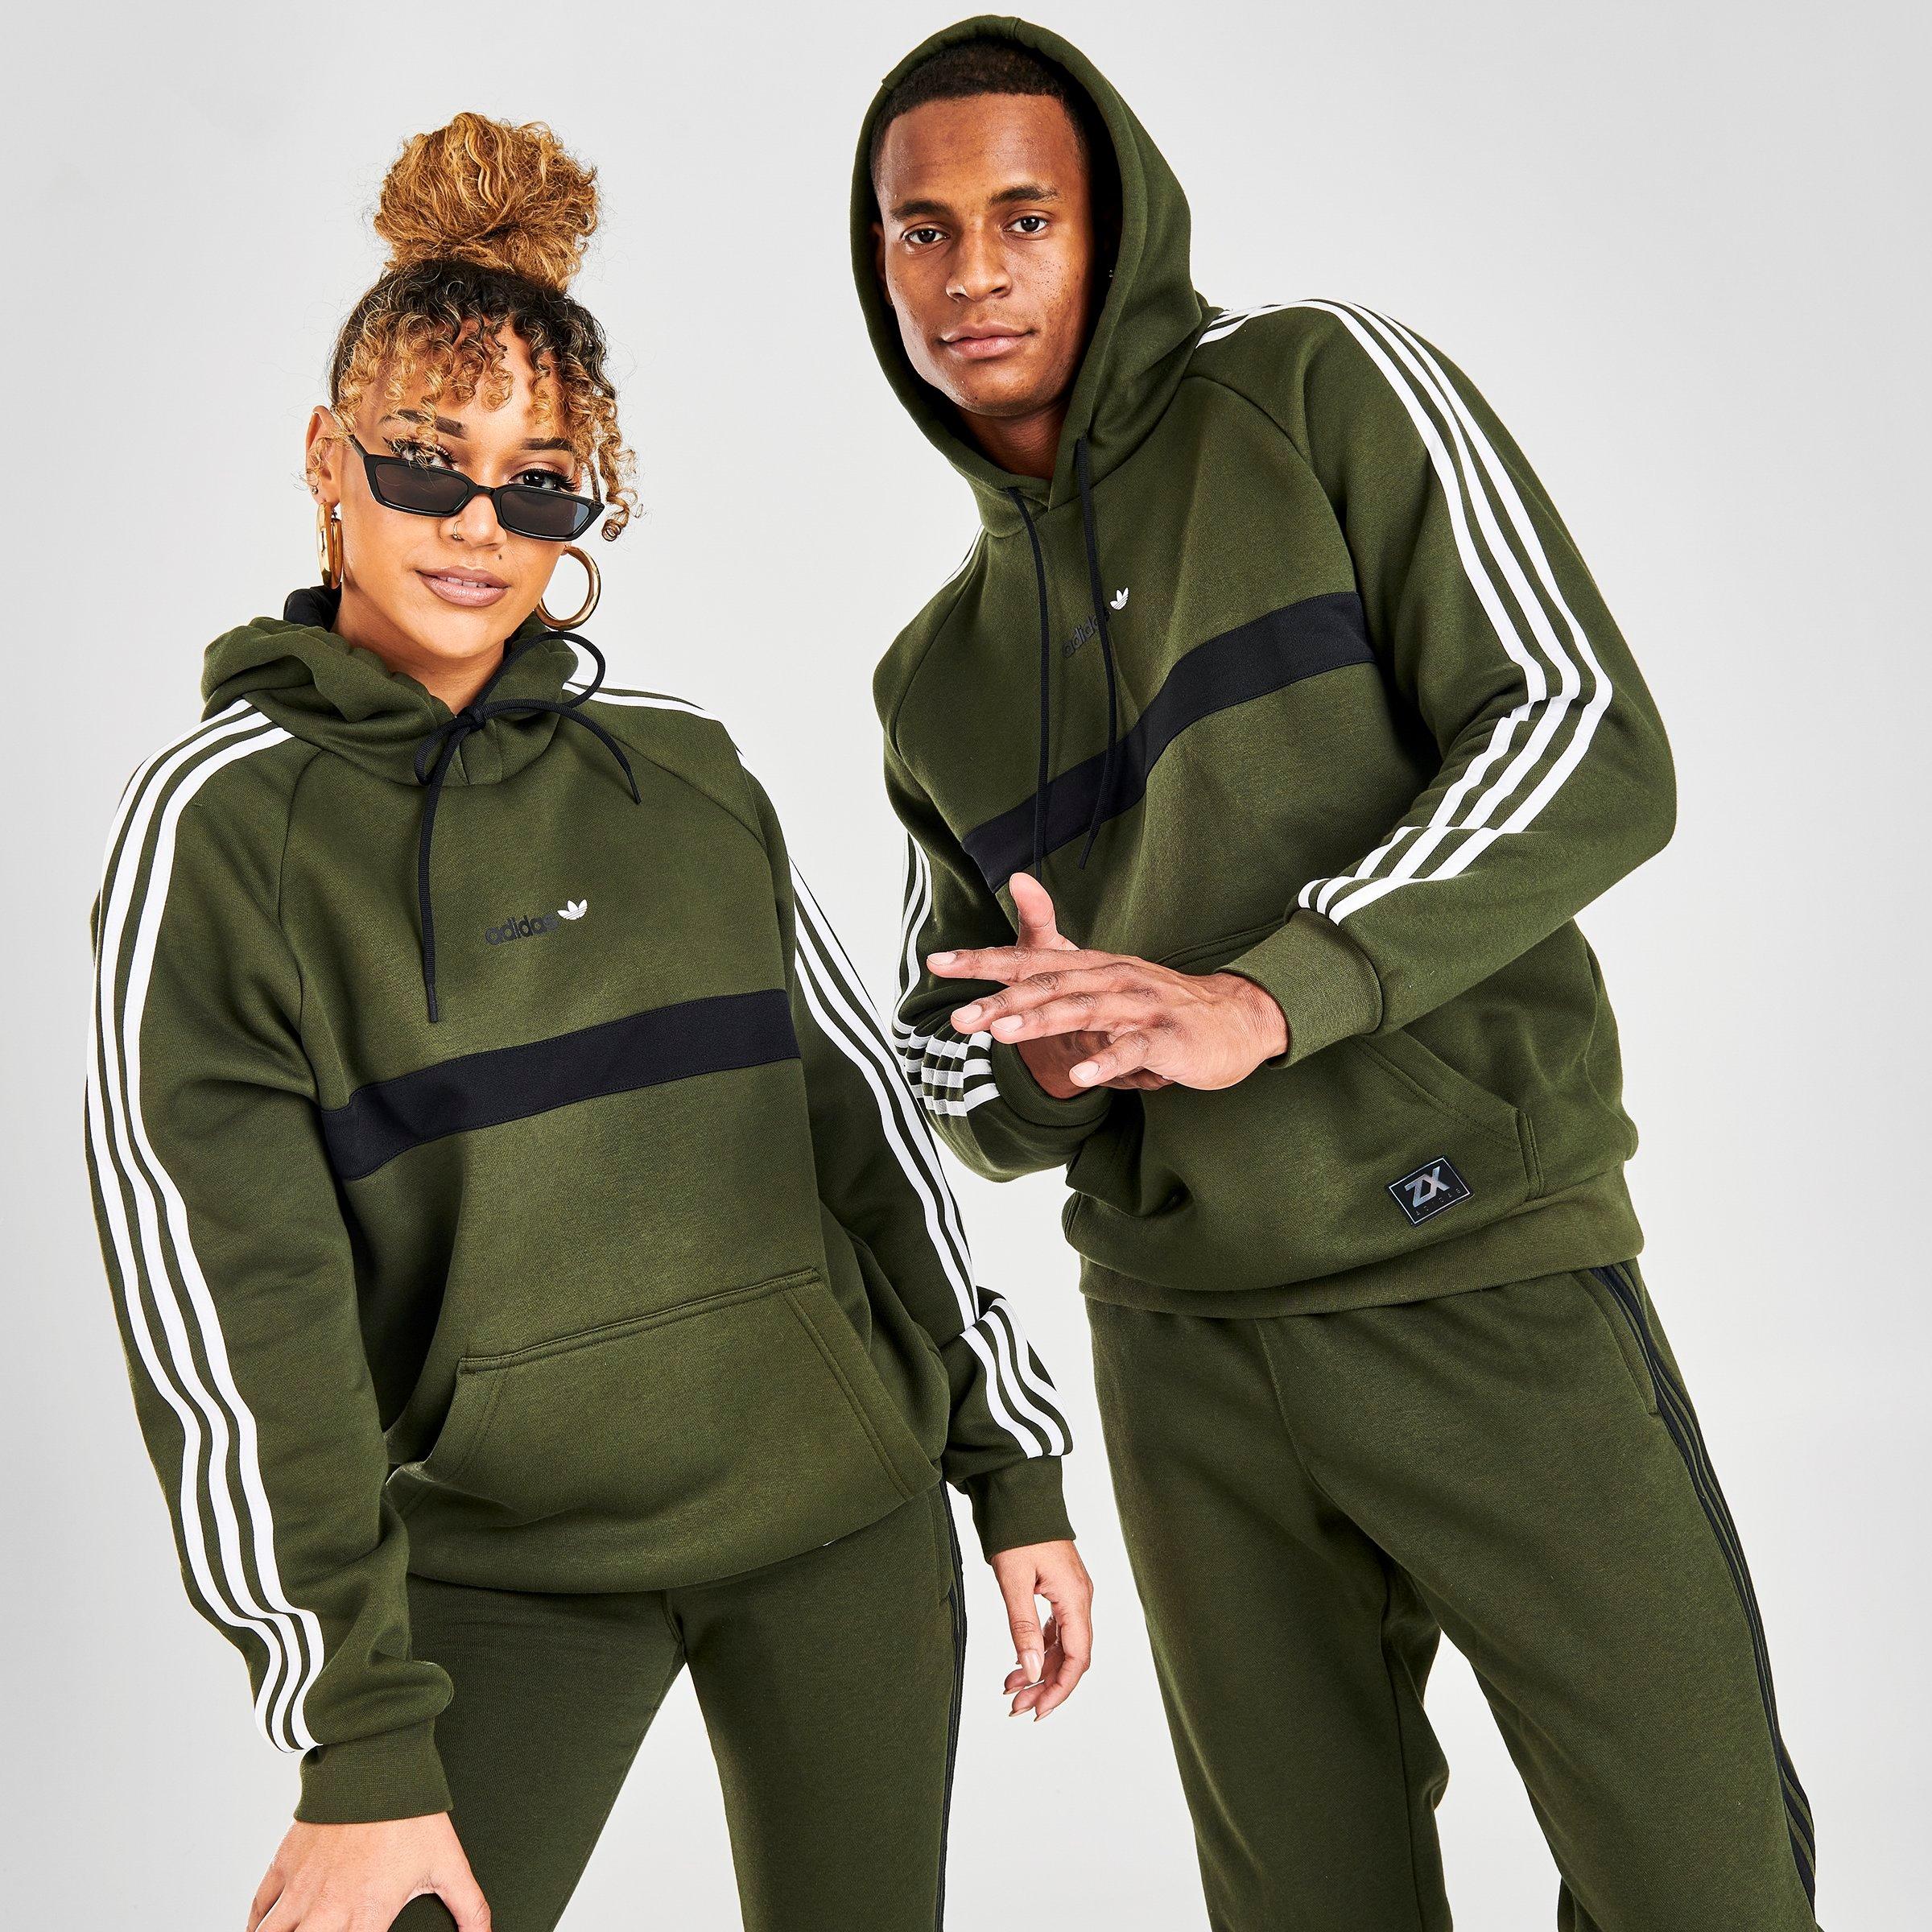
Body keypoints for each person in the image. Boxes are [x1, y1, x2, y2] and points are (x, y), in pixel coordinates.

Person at [854, 18, 1819, 1930]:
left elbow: (1583, 733)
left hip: (1477, 1270)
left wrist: (1266, 995)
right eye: (922, 230)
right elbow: (945, 1063)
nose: (971, 273)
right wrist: (1051, 1056)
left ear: (1112, 224)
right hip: (1185, 1354)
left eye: (1024, 217)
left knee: (1704, 1884)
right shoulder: (934, 676)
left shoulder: (1316, 389)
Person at [84, 111, 1090, 1932]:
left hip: (847, 1526)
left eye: (542, 483)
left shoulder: (685, 774)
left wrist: (1010, 1465)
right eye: (428, 463)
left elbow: (866, 1145)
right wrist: (353, 1734)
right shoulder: (221, 830)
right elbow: (229, 1321)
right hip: (499, 1573)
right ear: (327, 460)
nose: (482, 525)